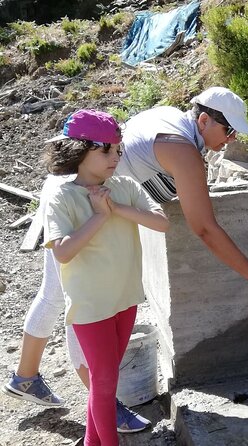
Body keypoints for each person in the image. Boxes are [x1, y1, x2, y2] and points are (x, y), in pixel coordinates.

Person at [3, 88, 248, 425]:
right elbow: (205, 228)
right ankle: (106, 408)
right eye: (228, 130)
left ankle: (25, 378)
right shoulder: (183, 150)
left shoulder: (170, 119)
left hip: (71, 183)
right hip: (81, 197)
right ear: (203, 119)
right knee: (79, 302)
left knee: (54, 294)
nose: (229, 140)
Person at [41, 109, 169, 445]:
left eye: (118, 149)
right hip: (90, 305)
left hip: (124, 299)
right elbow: (64, 252)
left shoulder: (124, 186)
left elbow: (161, 222)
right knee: (105, 380)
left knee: (103, 382)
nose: (115, 157)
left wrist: (117, 210)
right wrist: (99, 216)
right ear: (80, 150)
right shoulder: (62, 196)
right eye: (106, 150)